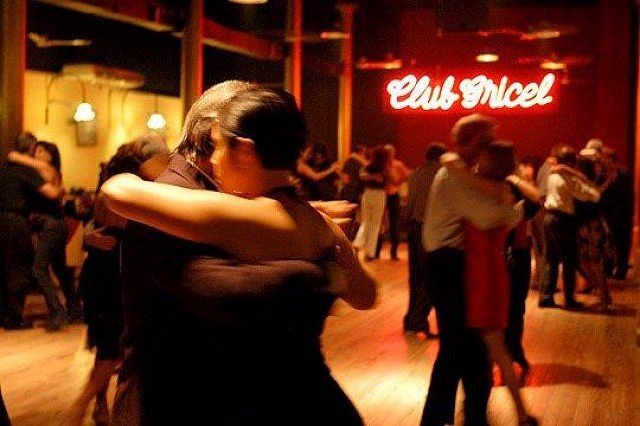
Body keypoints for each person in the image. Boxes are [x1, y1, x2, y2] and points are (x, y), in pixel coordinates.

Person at [104, 87, 377, 424]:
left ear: (244, 150)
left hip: (266, 405)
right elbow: (366, 295)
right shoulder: (317, 223)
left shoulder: (235, 214)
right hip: (313, 403)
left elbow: (118, 190)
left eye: (220, 145)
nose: (217, 158)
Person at [421, 113, 522, 426]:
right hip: (447, 264)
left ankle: (462, 416)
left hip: (454, 263)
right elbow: (489, 217)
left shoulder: (460, 172)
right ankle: (448, 418)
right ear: (475, 142)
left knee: (465, 346)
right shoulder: (453, 176)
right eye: (488, 140)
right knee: (459, 346)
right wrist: (515, 208)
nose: (491, 146)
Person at [65, 138, 168, 426]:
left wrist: (89, 236)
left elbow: (99, 224)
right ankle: (76, 410)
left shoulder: (114, 183)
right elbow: (126, 225)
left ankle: (100, 407)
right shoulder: (132, 189)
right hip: (114, 275)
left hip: (102, 273)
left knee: (107, 348)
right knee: (113, 349)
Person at [463, 141, 537, 426]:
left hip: (485, 276)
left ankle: (520, 413)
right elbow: (533, 202)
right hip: (488, 272)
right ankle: (494, 410)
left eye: (482, 158)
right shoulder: (501, 193)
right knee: (490, 347)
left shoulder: (493, 195)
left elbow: (533, 202)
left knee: (495, 347)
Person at [8, 141, 83, 331]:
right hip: (55, 225)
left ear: (51, 155)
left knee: (38, 269)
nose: (36, 153)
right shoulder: (43, 171)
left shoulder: (47, 169)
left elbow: (14, 157)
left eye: (41, 150)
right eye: (35, 150)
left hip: (52, 226)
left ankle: (58, 314)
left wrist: (16, 156)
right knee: (61, 271)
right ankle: (75, 312)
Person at [0, 133, 64, 329]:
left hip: (4, 219)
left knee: (6, 268)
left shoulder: (5, 167)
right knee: (20, 270)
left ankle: (5, 316)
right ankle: (14, 318)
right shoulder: (25, 169)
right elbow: (51, 192)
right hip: (16, 221)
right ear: (31, 148)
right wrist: (61, 190)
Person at [538, 146, 600, 309]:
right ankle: (569, 300)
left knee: (549, 259)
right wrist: (588, 182)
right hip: (563, 219)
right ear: (570, 162)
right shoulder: (568, 178)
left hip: (549, 217)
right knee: (569, 260)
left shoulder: (551, 174)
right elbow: (589, 195)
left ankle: (545, 297)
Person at [403, 142, 446, 336]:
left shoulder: (416, 173)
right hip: (430, 229)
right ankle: (417, 320)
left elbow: (409, 203)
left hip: (414, 227)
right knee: (433, 277)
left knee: (416, 277)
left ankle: (410, 320)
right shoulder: (443, 175)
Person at [352, 146, 390, 261]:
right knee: (375, 224)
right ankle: (369, 253)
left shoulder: (369, 166)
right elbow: (382, 180)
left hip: (367, 194)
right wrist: (376, 177)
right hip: (379, 195)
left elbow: (361, 175)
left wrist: (370, 177)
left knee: (366, 221)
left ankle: (358, 243)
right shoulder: (384, 168)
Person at [378, 144, 411, 260]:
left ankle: (394, 251)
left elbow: (407, 175)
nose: (389, 155)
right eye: (387, 152)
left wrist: (399, 181)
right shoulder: (380, 165)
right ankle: (376, 250)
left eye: (390, 153)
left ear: (393, 153)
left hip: (393, 195)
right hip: (381, 195)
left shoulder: (397, 165)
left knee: (394, 224)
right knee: (379, 223)